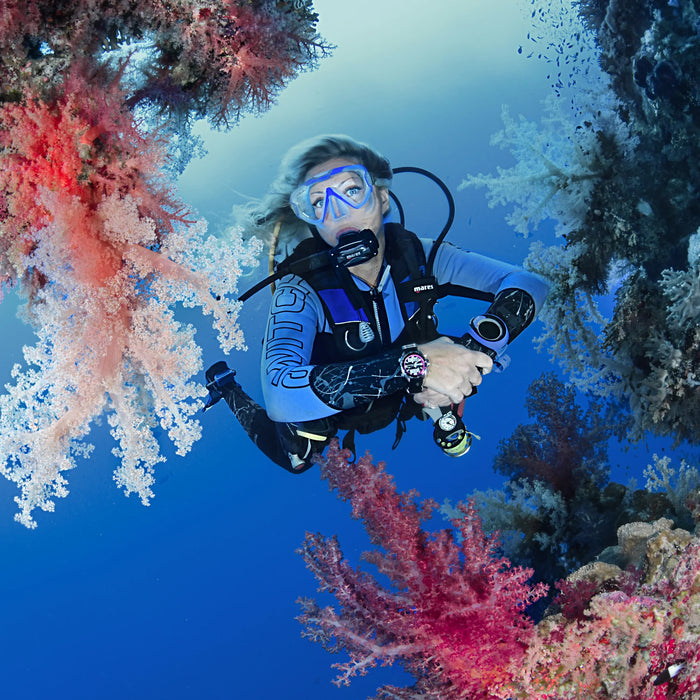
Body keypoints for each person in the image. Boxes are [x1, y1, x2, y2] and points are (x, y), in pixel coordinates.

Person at [205, 135, 549, 473]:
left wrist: (475, 351)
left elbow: (530, 284)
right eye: (318, 202)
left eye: (352, 190)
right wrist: (417, 364)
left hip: (403, 388)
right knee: (297, 457)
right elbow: (280, 392)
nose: (337, 212)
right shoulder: (298, 289)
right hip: (330, 402)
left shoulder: (419, 256)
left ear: (382, 197)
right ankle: (227, 387)